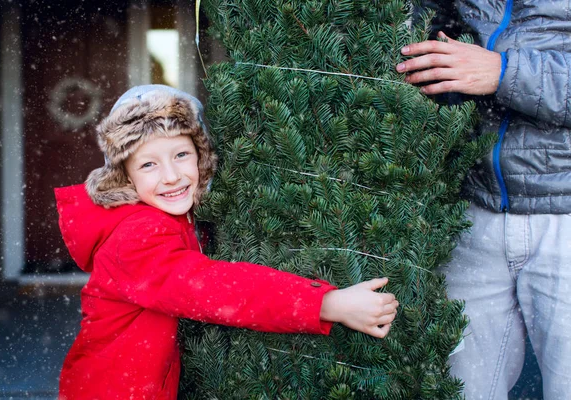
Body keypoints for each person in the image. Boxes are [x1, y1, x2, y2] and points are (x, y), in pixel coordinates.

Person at [55, 85, 399, 400]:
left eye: (181, 155)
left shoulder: (172, 216)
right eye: (148, 164)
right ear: (125, 176)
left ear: (201, 155)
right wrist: (326, 304)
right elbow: (217, 289)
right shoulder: (137, 235)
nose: (171, 176)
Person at [396, 2, 571, 399]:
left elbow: (493, 68)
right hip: (473, 211)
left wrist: (504, 72)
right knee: (459, 387)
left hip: (565, 220)